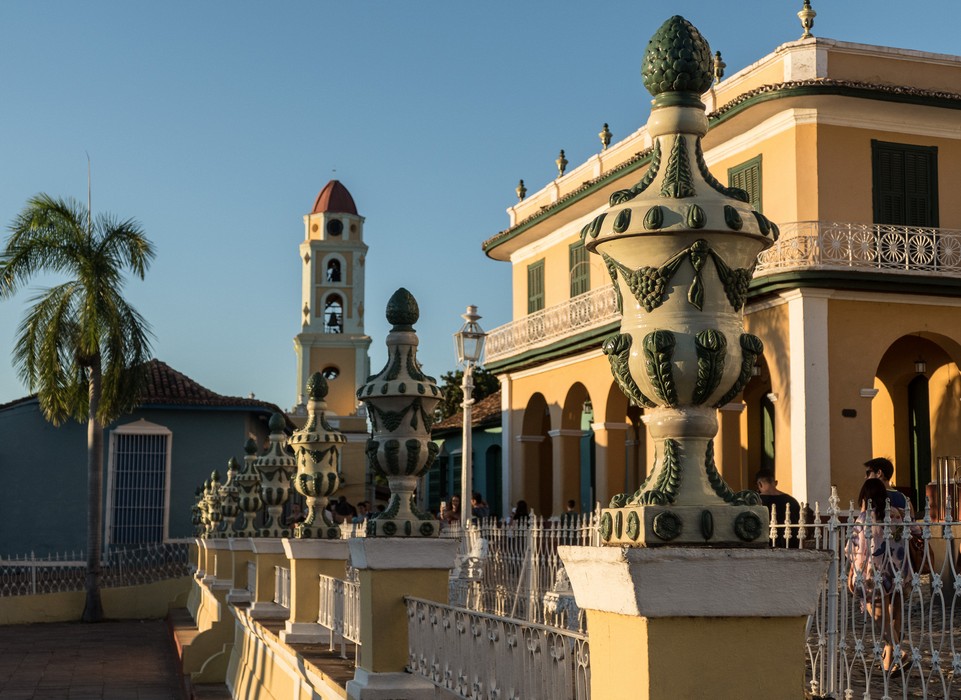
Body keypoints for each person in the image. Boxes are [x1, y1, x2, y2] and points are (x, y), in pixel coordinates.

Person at [846, 477, 907, 672]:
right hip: (898, 570)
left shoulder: (864, 518)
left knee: (879, 616)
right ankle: (890, 661)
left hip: (874, 574)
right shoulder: (897, 514)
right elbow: (916, 531)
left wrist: (852, 574)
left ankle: (900, 652)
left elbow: (853, 549)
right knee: (892, 615)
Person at [755, 470, 801, 548]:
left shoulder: (757, 502)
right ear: (776, 483)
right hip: (790, 546)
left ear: (759, 484)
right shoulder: (792, 501)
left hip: (765, 546)